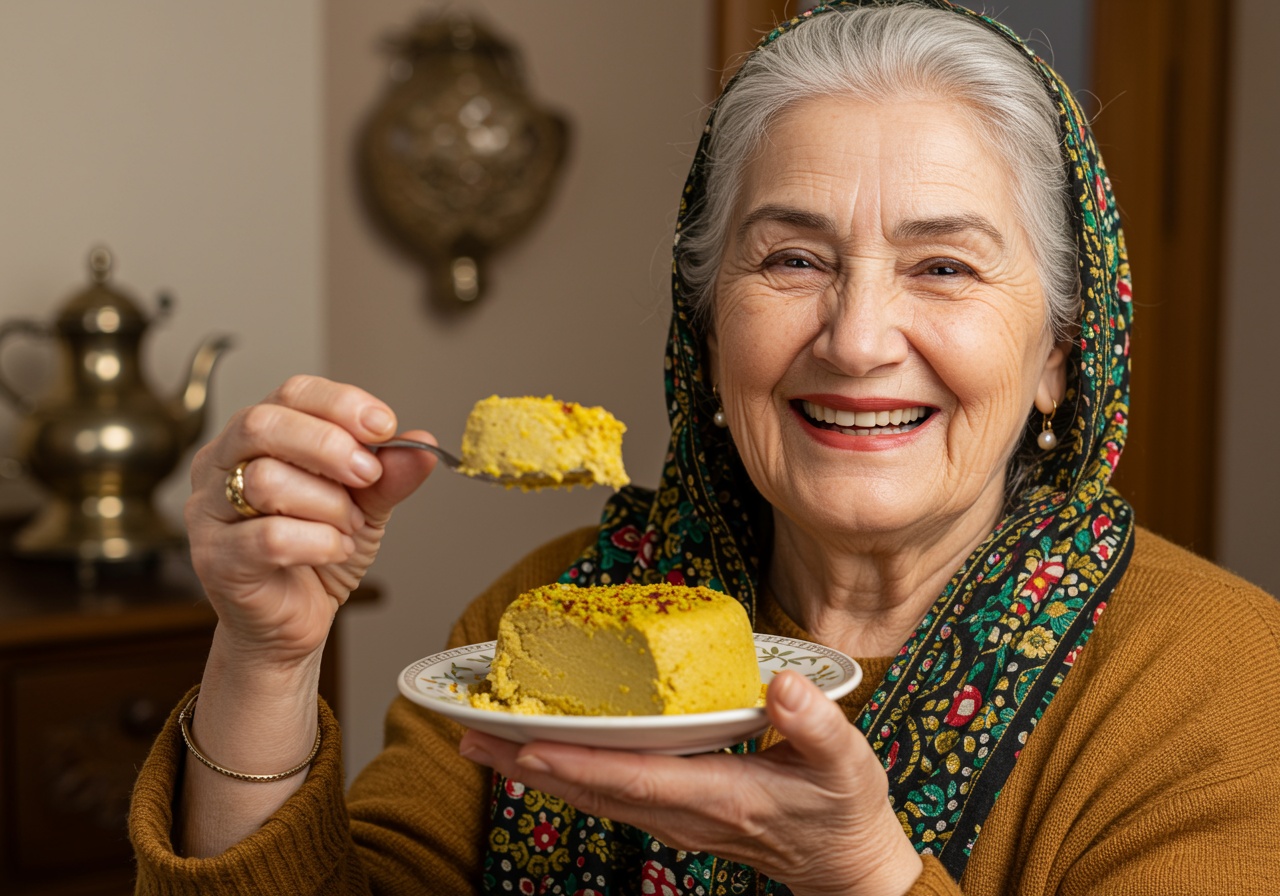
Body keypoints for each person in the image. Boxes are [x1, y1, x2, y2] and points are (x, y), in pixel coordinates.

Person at [129, 1, 1280, 894]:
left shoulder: (1219, 676)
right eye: (791, 258)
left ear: (1058, 360)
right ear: (707, 334)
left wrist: (861, 871)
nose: (856, 337)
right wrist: (265, 654)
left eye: (943, 266)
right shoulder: (538, 623)